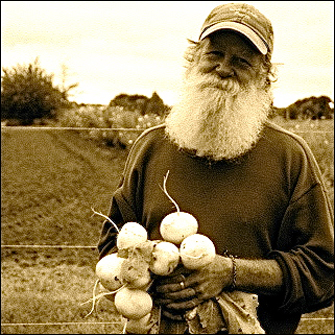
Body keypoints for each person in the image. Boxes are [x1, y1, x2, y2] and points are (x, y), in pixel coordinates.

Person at [97, 3, 334, 334]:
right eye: (214, 55)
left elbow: (323, 272)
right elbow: (113, 245)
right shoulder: (150, 148)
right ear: (193, 60)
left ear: (265, 77)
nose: (224, 69)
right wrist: (148, 277)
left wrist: (232, 272)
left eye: (241, 61)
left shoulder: (290, 157)